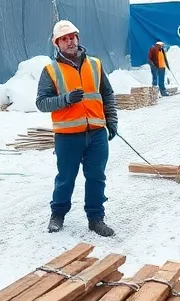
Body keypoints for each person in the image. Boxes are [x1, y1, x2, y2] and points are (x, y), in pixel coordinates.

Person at [36, 19, 119, 237]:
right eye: (64, 39)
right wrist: (65, 99)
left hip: (96, 133)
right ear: (57, 43)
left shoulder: (95, 65)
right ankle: (58, 215)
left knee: (96, 177)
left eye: (72, 36)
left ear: (77, 38)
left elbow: (107, 94)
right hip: (67, 136)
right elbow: (42, 102)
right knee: (65, 178)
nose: (69, 41)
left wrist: (111, 120)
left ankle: (96, 218)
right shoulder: (50, 71)